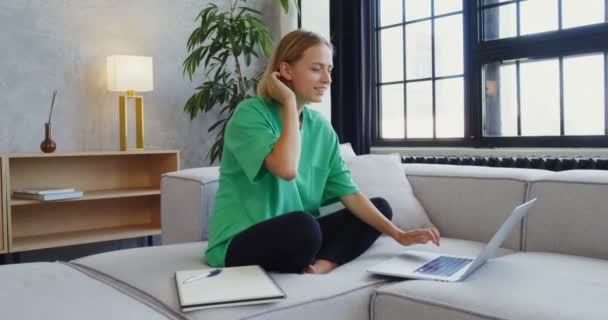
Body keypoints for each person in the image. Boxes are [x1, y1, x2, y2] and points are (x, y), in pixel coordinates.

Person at [204, 29, 440, 274]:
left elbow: (349, 194)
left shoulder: (322, 128)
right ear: (286, 71)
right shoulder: (250, 114)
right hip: (241, 242)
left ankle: (323, 265)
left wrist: (399, 234)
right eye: (317, 69)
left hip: (298, 239)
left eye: (329, 70)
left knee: (380, 207)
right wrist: (288, 103)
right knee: (304, 226)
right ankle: (311, 256)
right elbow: (286, 169)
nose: (327, 79)